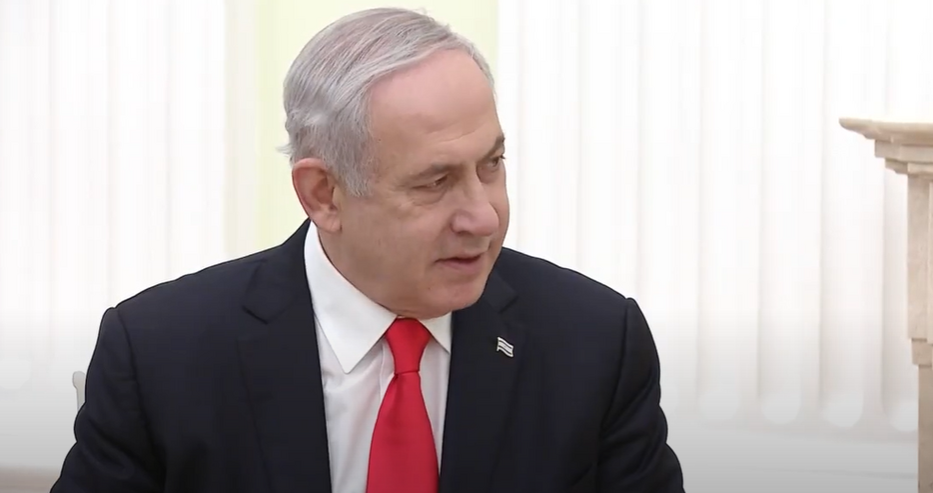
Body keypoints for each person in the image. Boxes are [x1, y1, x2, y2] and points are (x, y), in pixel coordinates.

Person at [50, 7, 684, 493]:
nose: (484, 216)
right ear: (323, 194)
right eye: (435, 181)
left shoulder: (596, 343)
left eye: (491, 164)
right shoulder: (160, 355)